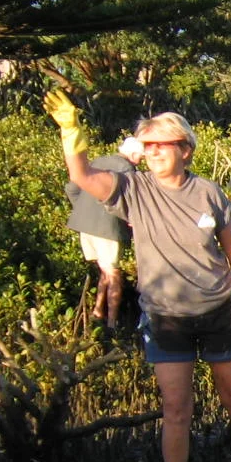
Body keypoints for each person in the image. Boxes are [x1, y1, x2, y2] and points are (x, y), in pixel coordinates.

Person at [45, 90, 231, 462]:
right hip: (165, 318)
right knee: (176, 410)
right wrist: (71, 133)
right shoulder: (131, 189)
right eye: (147, 144)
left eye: (161, 145)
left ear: (185, 149)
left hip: (217, 312)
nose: (152, 151)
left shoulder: (209, 193)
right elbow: (82, 176)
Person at [64, 136, 143, 329]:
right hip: (108, 229)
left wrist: (84, 208)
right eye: (141, 156)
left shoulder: (98, 161)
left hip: (85, 226)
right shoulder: (128, 169)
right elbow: (132, 202)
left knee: (106, 270)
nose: (142, 161)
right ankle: (112, 322)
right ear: (133, 154)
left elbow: (72, 188)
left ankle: (98, 311)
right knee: (114, 272)